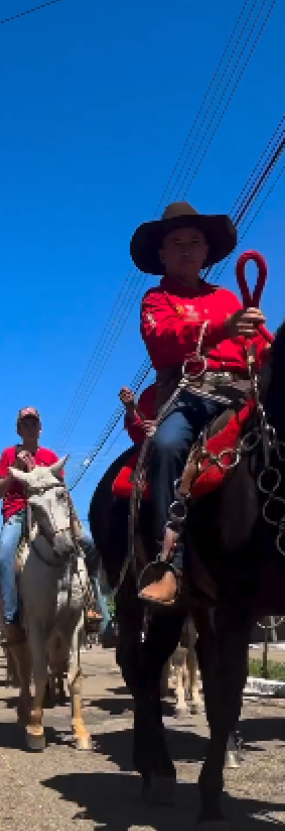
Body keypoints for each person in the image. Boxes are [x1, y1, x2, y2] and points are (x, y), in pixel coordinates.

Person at [129, 200, 270, 606]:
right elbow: (163, 340)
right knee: (169, 443)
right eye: (177, 243)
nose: (187, 249)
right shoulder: (157, 300)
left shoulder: (228, 297)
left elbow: (258, 347)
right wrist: (222, 328)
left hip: (243, 390)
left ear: (207, 251)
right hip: (191, 392)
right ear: (162, 254)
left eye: (194, 242)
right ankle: (168, 562)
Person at [0, 407, 60, 669]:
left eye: (34, 424)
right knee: (5, 553)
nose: (30, 428)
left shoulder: (50, 456)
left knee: (84, 544)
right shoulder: (8, 454)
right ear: (19, 430)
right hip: (18, 512)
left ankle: (90, 606)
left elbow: (59, 489)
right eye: (25, 424)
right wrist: (15, 470)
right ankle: (12, 618)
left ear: (40, 429)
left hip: (47, 511)